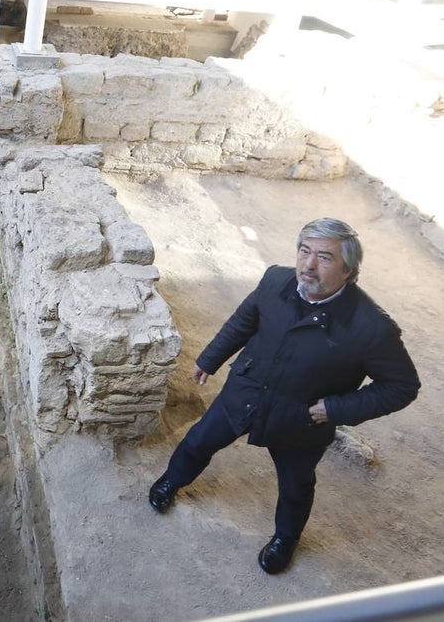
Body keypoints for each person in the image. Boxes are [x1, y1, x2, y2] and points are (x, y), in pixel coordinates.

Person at [148, 217, 419, 573]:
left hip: (302, 419)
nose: (308, 265)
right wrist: (210, 359)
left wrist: (336, 408)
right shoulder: (276, 279)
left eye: (324, 257)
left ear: (348, 269)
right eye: (304, 251)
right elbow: (244, 320)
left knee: (295, 487)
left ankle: (285, 539)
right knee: (198, 441)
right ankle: (172, 480)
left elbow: (402, 386)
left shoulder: (371, 327)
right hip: (246, 391)